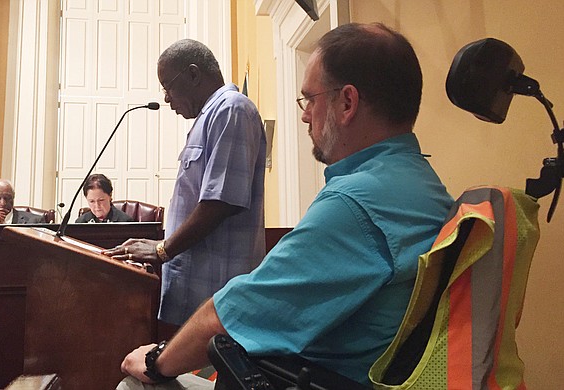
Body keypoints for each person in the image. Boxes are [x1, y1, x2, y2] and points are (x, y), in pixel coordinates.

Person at [117, 23, 455, 389]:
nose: (306, 115)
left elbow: (227, 318)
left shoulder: (355, 204)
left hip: (312, 378)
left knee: (136, 383)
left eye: (310, 99)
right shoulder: (428, 188)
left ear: (347, 103)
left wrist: (155, 360)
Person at [104, 39, 266, 327]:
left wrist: (161, 249)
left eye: (168, 87)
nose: (166, 99)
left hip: (216, 293)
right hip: (195, 290)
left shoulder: (231, 109)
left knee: (205, 373)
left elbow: (221, 201)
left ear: (193, 74)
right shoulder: (208, 117)